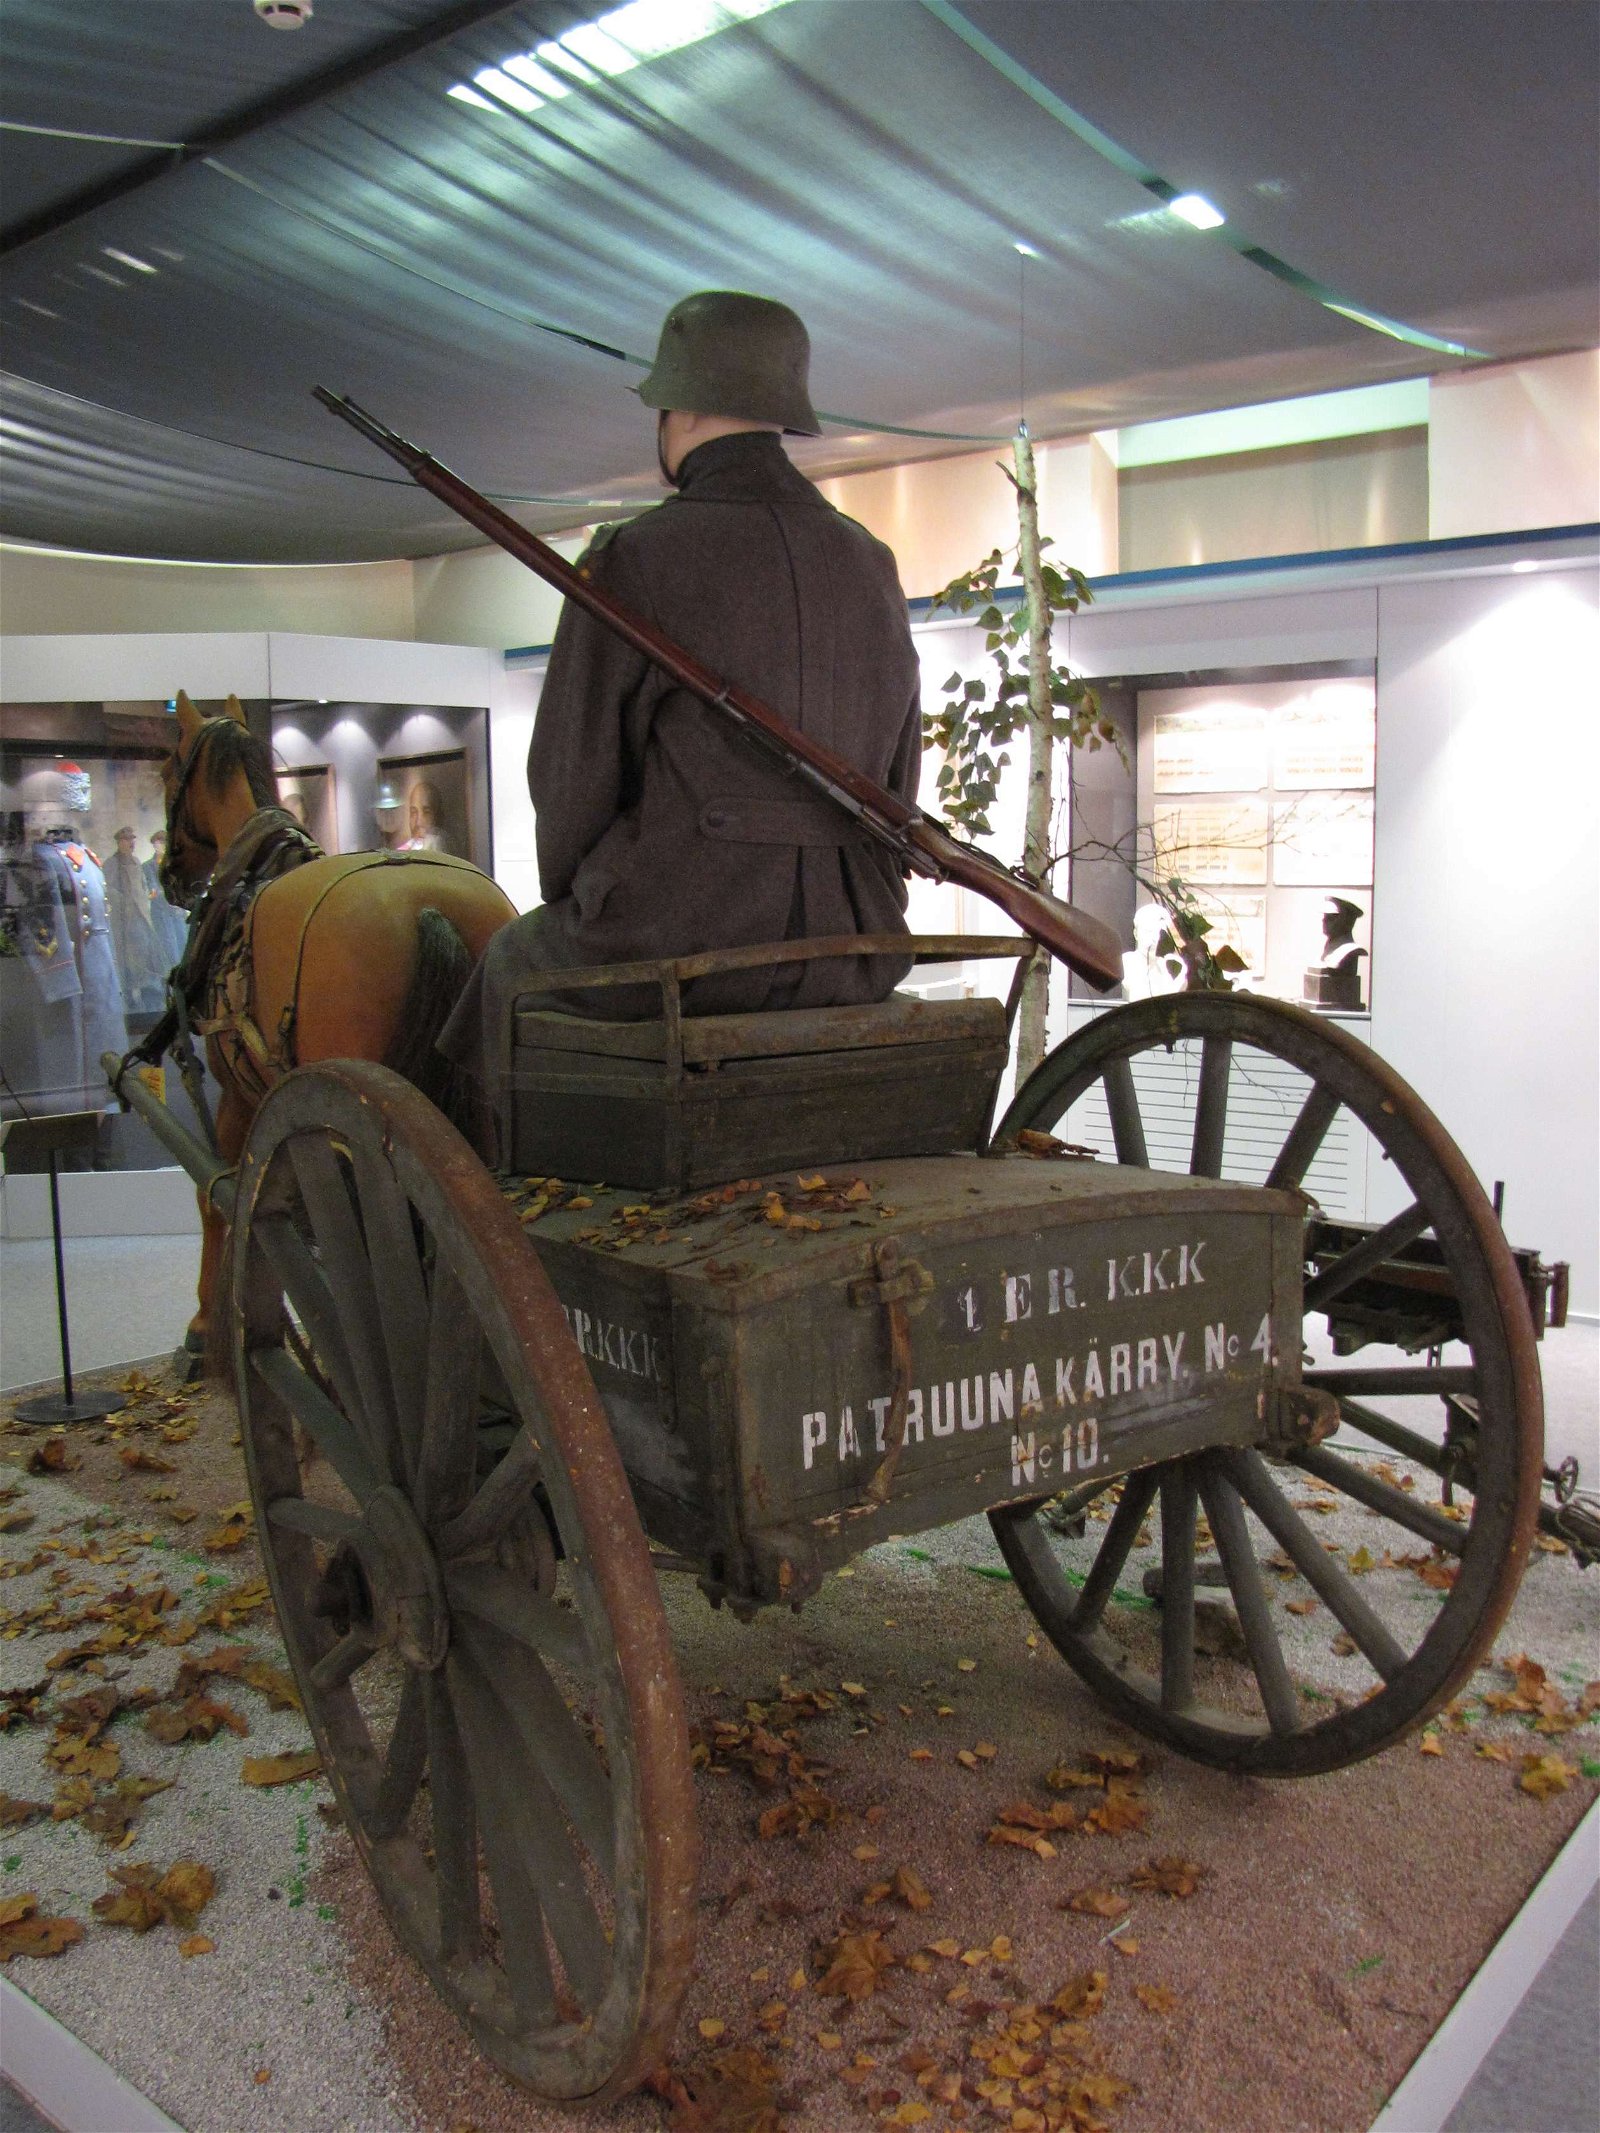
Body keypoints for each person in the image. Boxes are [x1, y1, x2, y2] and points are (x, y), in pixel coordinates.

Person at [440, 289, 923, 1085]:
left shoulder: (636, 556)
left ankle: (496, 1195)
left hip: (682, 939)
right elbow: (897, 778)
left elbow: (570, 782)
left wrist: (581, 896)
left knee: (508, 961)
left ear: (682, 411)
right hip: (854, 944)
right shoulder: (872, 563)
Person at [397, 779, 446, 852]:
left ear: (436, 817)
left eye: (426, 812)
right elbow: (399, 853)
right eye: (413, 812)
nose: (418, 823)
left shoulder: (437, 843)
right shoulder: (411, 844)